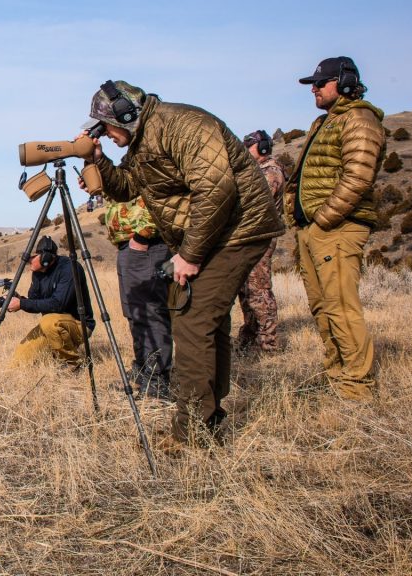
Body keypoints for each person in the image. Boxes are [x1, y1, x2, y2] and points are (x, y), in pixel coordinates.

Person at [79, 80, 284, 447]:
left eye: (107, 126)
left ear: (126, 115)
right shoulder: (143, 142)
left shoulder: (186, 125)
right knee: (210, 322)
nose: (106, 135)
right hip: (216, 233)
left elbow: (216, 190)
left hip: (237, 230)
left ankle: (191, 433)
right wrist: (98, 161)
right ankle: (210, 417)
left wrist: (190, 254)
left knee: (190, 318)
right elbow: (127, 188)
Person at [285, 56, 385, 400]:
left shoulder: (359, 118)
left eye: (319, 83)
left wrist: (324, 218)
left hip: (337, 228)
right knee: (322, 306)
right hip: (313, 229)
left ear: (343, 82)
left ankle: (357, 388)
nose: (313, 89)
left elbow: (358, 176)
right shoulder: (324, 121)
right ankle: (337, 374)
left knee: (341, 306)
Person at [101, 197, 173, 399]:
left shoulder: (147, 166)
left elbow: (158, 195)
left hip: (146, 244)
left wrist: (143, 236)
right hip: (129, 245)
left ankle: (157, 382)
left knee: (149, 314)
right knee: (134, 313)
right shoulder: (128, 168)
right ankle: (143, 371)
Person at [8, 236, 94, 367]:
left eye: (31, 257)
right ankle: (56, 350)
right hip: (52, 324)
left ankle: (73, 363)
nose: (28, 261)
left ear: (45, 258)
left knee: (48, 322)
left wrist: (22, 304)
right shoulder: (38, 272)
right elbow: (34, 302)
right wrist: (18, 300)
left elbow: (57, 304)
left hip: (79, 324)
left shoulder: (70, 269)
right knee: (19, 360)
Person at [236, 130, 287, 353]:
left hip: (260, 238)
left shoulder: (271, 172)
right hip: (246, 237)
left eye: (250, 146)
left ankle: (268, 343)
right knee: (244, 290)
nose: (246, 150)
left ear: (263, 147)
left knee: (259, 290)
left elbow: (254, 201)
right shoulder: (253, 171)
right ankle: (249, 336)